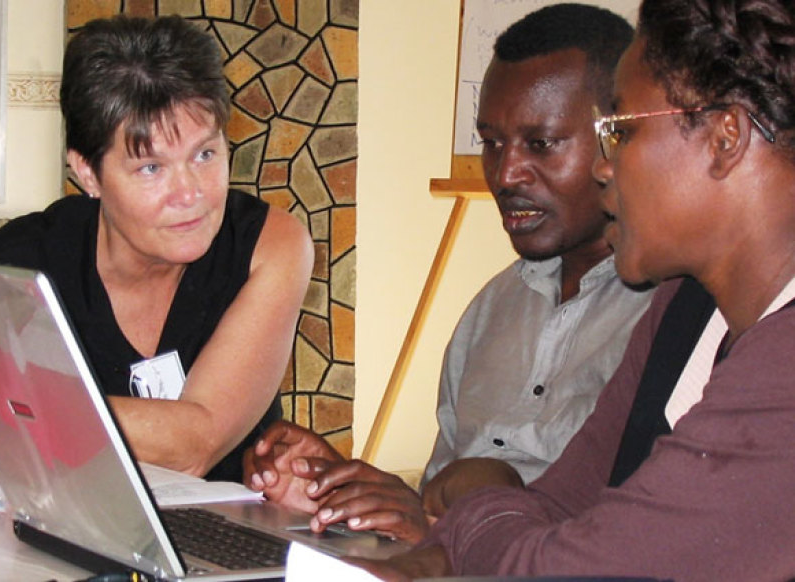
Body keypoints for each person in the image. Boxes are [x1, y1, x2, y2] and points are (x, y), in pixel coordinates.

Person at [351, 0, 795, 579]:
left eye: (620, 132)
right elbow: (560, 502)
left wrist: (477, 498)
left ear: (724, 138)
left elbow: (570, 568)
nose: (605, 168)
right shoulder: (683, 310)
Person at [244, 4, 653, 542]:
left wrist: (460, 521)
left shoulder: (675, 319)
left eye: (541, 144)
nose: (505, 174)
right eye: (492, 143)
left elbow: (640, 544)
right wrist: (346, 490)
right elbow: (435, 508)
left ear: (616, 138)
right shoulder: (491, 310)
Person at [0, 15, 313, 482]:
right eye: (151, 168)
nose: (190, 193)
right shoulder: (14, 270)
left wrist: (27, 407)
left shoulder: (269, 246)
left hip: (229, 526)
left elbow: (195, 445)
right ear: (88, 174)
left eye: (205, 154)